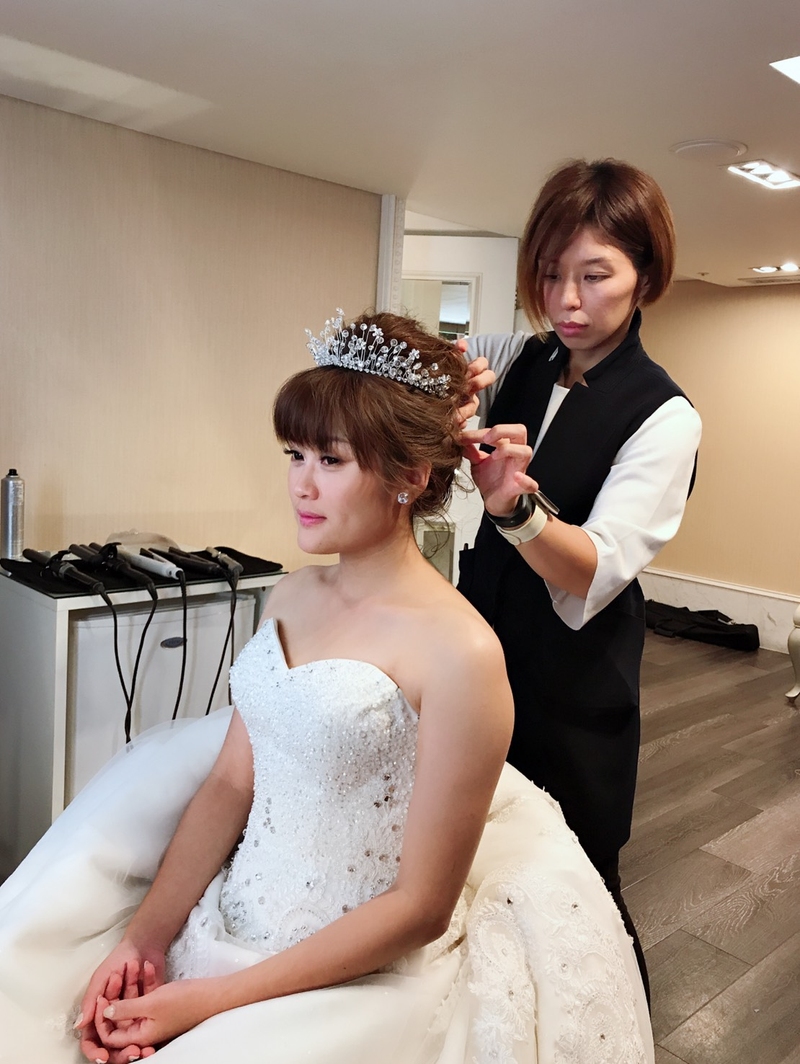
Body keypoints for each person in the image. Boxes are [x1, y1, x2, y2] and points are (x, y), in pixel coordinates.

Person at [0, 310, 654, 1064]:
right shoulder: (290, 595)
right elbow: (231, 784)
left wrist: (207, 1002)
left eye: (332, 460)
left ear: (410, 476)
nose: (301, 485)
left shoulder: (461, 652)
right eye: (295, 454)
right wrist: (145, 940)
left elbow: (421, 907)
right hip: (227, 917)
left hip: (353, 972)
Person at [457, 158, 703, 996]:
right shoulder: (523, 360)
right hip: (482, 656)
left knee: (580, 889)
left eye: (595, 276)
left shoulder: (665, 415)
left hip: (573, 689)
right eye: (550, 273)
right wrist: (444, 397)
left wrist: (515, 511)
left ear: (646, 275)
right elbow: (442, 369)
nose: (567, 300)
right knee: (480, 865)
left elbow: (597, 564)